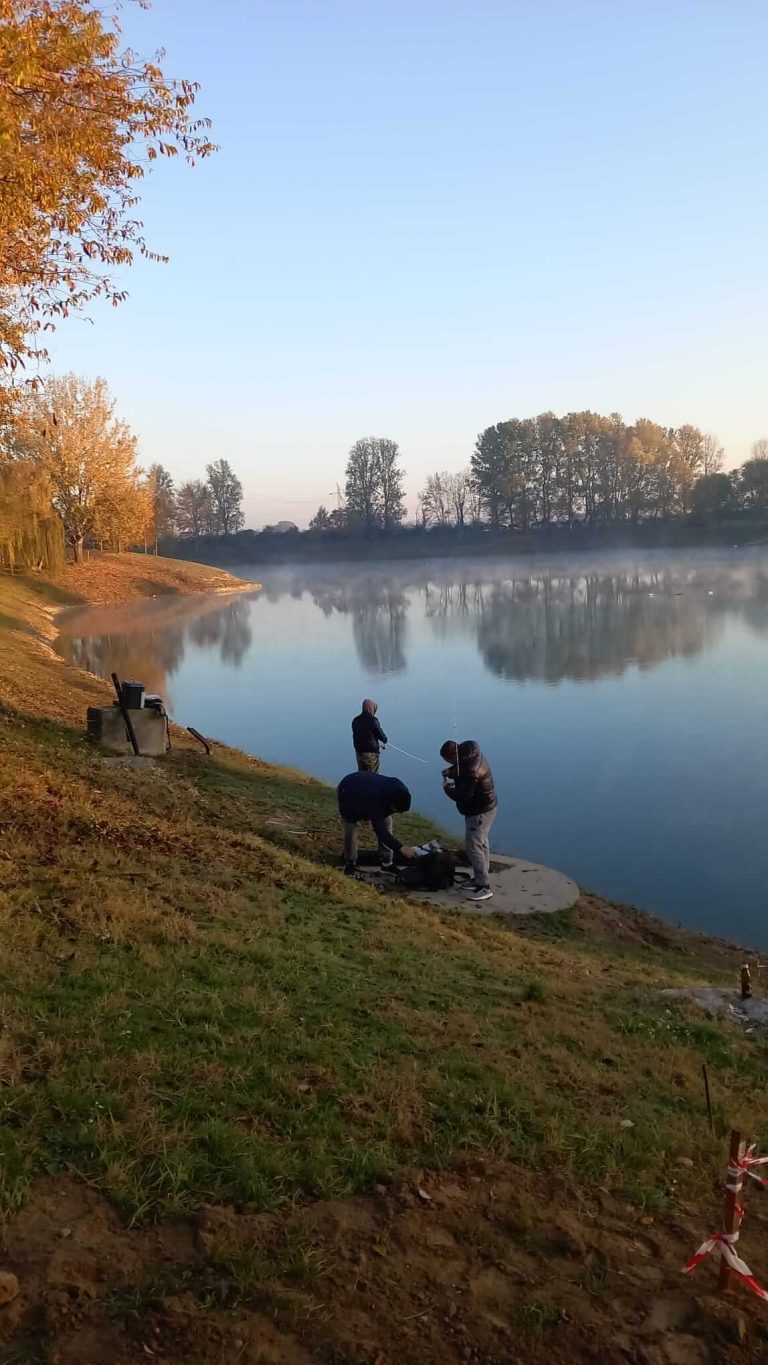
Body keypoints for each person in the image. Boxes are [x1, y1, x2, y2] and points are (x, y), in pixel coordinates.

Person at [440, 739, 497, 901]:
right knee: (481, 842)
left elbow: (464, 796)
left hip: (480, 811)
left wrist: (447, 790)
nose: (449, 763)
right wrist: (451, 772)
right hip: (487, 807)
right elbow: (461, 767)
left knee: (473, 846)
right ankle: (480, 877)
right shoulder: (470, 754)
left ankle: (484, 886)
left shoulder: (472, 771)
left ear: (453, 755)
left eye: (449, 760)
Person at [337, 770, 417, 873]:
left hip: (367, 788)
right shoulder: (376, 800)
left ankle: (387, 863)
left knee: (387, 821)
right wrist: (401, 848)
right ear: (391, 803)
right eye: (396, 810)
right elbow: (381, 832)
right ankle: (350, 863)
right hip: (348, 790)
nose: (396, 813)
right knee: (351, 827)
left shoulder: (402, 791)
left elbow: (385, 818)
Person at [352, 699, 388, 772]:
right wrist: (385, 740)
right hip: (371, 754)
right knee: (372, 777)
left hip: (359, 753)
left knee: (362, 775)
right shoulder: (373, 720)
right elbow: (380, 734)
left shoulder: (355, 720)